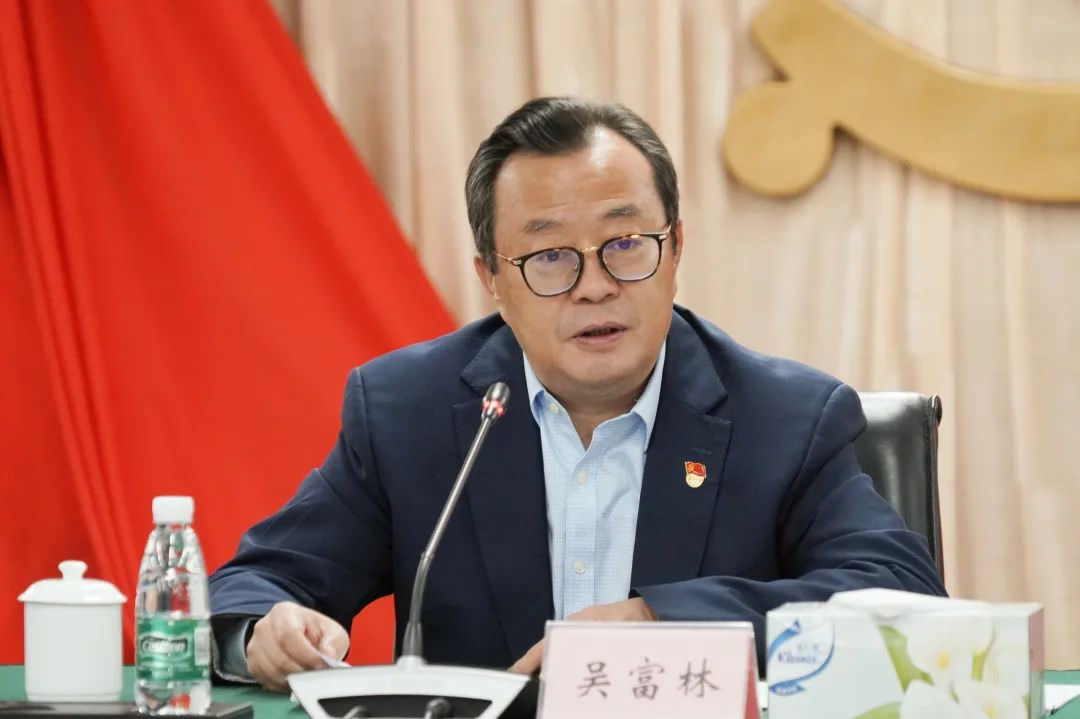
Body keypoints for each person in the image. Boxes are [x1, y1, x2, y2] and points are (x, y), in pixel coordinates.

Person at [208, 96, 946, 691]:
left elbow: (899, 596)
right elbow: (257, 582)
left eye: (625, 244)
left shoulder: (786, 419)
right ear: (493, 280)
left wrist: (659, 622)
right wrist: (266, 630)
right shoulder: (409, 412)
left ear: (675, 249)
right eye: (550, 255)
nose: (594, 286)